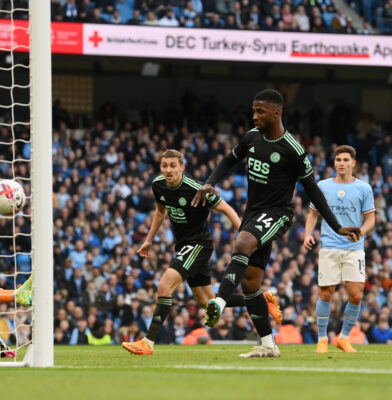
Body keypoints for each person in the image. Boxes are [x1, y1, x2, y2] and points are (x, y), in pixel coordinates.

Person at [192, 89, 361, 358]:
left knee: (243, 241)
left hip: (278, 214)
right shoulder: (250, 138)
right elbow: (228, 160)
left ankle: (220, 300)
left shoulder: (293, 149)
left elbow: (313, 190)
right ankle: (269, 344)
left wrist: (336, 225)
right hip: (253, 213)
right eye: (253, 111)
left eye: (260, 111)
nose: (254, 116)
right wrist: (210, 181)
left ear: (276, 113)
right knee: (250, 283)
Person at [121, 149, 281, 355]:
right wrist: (148, 240)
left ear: (182, 167)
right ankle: (263, 300)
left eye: (172, 165)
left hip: (198, 245)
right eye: (164, 166)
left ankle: (147, 342)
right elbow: (160, 211)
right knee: (207, 303)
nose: (168, 170)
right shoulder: (157, 184)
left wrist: (247, 238)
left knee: (164, 285)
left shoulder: (196, 189)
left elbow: (227, 209)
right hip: (185, 245)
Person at [304, 145, 375, 353]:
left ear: (353, 163)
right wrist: (308, 234)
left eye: (345, 160)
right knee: (326, 294)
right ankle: (323, 338)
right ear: (334, 163)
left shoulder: (364, 188)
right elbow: (312, 214)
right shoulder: (323, 186)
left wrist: (361, 231)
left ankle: (344, 338)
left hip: (354, 248)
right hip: (329, 246)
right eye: (338, 160)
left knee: (356, 295)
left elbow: (371, 218)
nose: (341, 163)